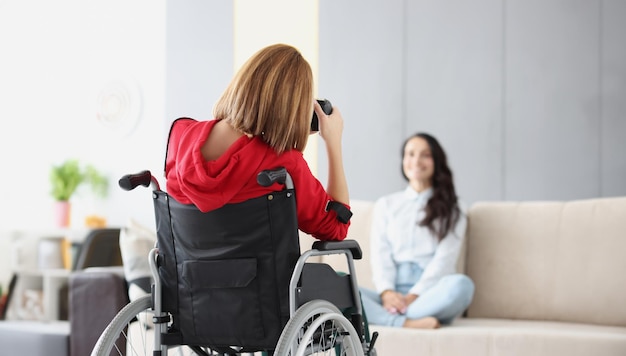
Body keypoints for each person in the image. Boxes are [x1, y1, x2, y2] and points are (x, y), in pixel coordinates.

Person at [164, 43, 351, 240]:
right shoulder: (285, 163)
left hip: (187, 271)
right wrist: (333, 142)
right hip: (260, 272)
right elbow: (336, 228)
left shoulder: (180, 136)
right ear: (292, 108)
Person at [360, 133, 475, 329]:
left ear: (436, 161)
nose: (416, 161)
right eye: (410, 154)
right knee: (334, 285)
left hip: (430, 293)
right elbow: (380, 254)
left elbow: (445, 260)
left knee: (462, 285)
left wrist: (414, 296)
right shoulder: (386, 205)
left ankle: (387, 317)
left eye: (425, 155)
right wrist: (387, 293)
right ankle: (406, 322)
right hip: (392, 293)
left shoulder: (454, 208)